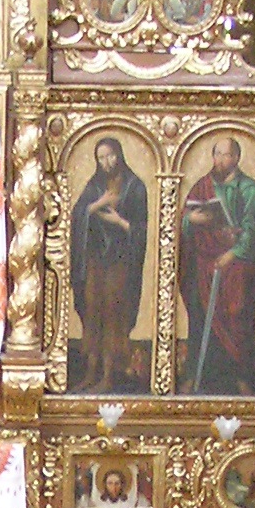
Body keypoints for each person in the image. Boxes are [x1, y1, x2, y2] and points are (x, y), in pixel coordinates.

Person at [178, 136, 255, 395]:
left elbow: (250, 230)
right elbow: (182, 219)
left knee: (236, 319)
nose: (220, 160)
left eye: (225, 155)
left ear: (236, 158)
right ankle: (195, 374)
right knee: (200, 318)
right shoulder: (203, 185)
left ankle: (241, 378)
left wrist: (231, 254)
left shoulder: (249, 189)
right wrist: (191, 219)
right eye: (216, 154)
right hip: (203, 263)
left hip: (235, 267)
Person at [69, 135, 150, 393]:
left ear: (119, 155)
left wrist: (120, 222)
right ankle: (90, 373)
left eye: (110, 156)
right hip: (95, 262)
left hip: (119, 264)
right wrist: (97, 205)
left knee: (113, 315)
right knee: (93, 313)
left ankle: (108, 375)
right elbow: (78, 214)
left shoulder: (134, 186)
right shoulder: (95, 185)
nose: (106, 162)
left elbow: (141, 229)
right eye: (101, 158)